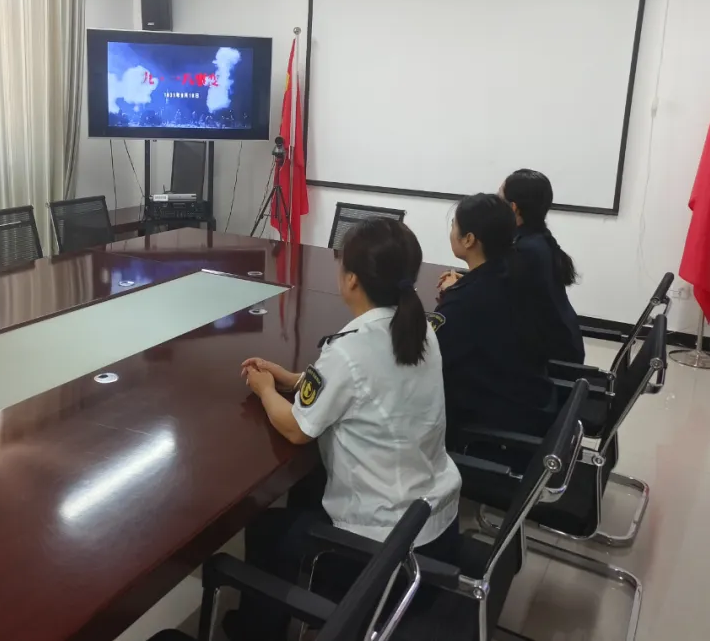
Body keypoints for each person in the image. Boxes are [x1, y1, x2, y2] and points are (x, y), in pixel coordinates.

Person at [229, 218, 462, 641]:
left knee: (266, 528)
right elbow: (366, 385)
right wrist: (292, 378)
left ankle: (254, 632)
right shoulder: (419, 329)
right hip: (435, 528)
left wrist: (264, 389)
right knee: (307, 490)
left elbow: (296, 429)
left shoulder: (349, 350)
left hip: (381, 554)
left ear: (352, 279)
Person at [434, 193, 556, 438]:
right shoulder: (518, 272)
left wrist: (459, 291)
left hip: (496, 424)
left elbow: (429, 360)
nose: (451, 232)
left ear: (469, 239)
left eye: (454, 226)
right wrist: (464, 284)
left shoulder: (464, 303)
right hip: (532, 400)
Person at [500, 169, 585, 364]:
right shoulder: (537, 240)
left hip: (553, 361)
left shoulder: (525, 250)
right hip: (562, 345)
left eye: (499, 198)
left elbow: (496, 298)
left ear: (513, 208)